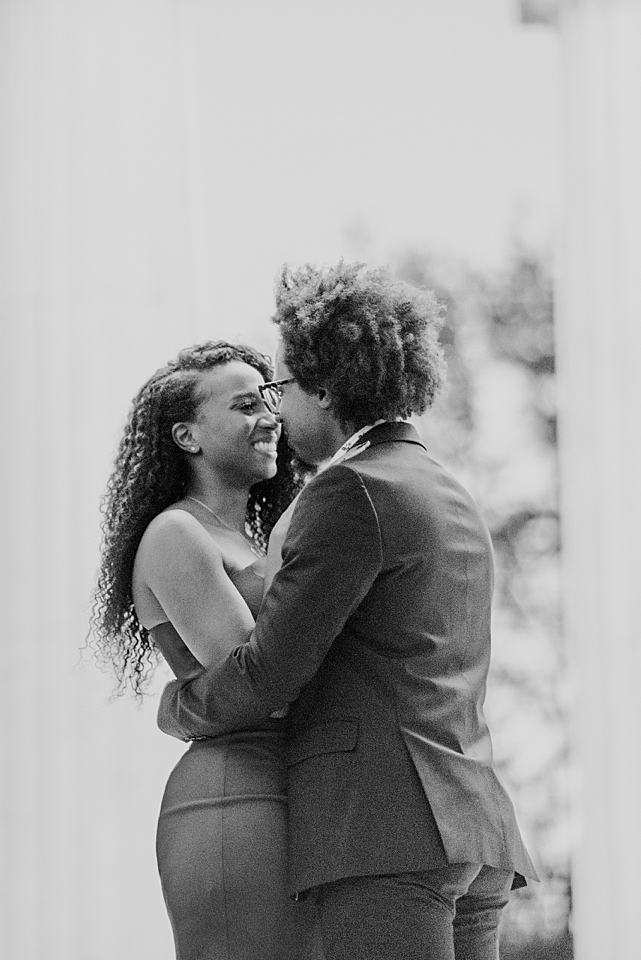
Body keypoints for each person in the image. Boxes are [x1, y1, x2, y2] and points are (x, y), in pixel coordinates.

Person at [157, 262, 540, 960]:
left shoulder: (350, 494)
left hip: (385, 830)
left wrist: (180, 706)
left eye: (281, 388)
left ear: (325, 387)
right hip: (475, 828)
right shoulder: (446, 489)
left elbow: (269, 672)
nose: (273, 408)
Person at [92, 341, 310, 960]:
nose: (271, 417)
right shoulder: (175, 532)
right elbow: (255, 674)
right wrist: (310, 516)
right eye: (245, 405)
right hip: (235, 799)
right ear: (188, 436)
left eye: (269, 400)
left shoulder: (254, 537)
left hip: (291, 788)